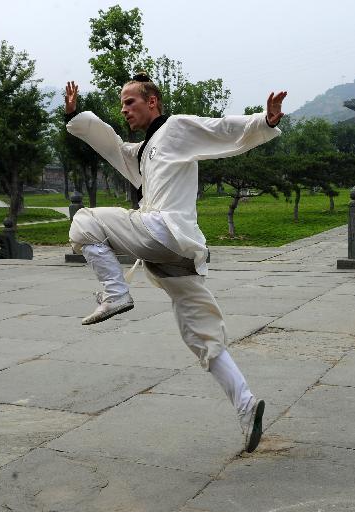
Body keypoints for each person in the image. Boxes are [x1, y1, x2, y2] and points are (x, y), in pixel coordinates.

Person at [63, 73, 287, 453]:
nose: (123, 109)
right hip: (177, 249)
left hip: (163, 231)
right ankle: (247, 406)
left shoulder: (177, 127)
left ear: (153, 102)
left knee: (84, 221)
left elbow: (220, 131)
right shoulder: (145, 150)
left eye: (130, 101)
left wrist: (263, 122)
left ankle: (115, 293)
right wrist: (77, 118)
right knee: (199, 334)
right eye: (121, 104)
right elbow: (114, 148)